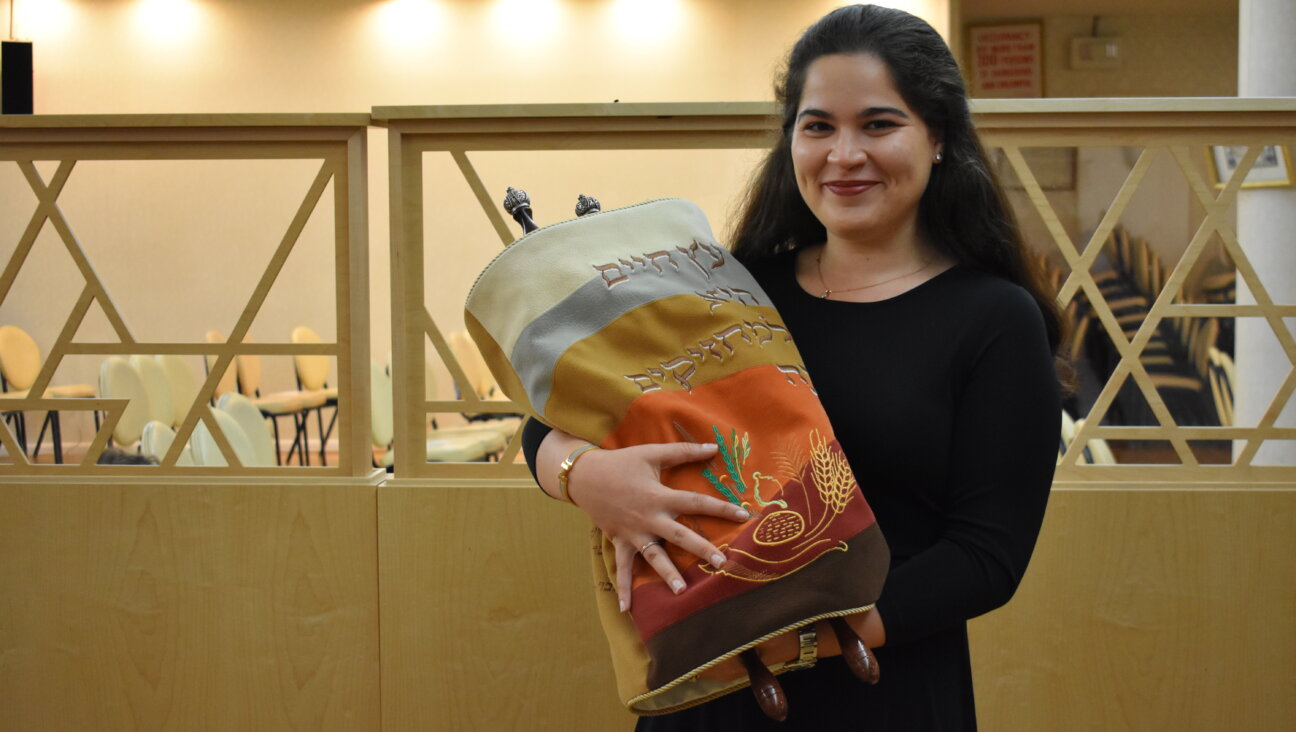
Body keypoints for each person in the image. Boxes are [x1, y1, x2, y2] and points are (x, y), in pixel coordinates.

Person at [521, 5, 1064, 729]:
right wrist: (588, 478)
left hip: (880, 692)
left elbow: (986, 555)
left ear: (938, 138)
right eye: (818, 127)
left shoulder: (995, 319)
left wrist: (797, 634)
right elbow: (551, 424)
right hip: (707, 695)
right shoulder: (728, 289)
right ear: (791, 142)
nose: (844, 155)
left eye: (878, 124)